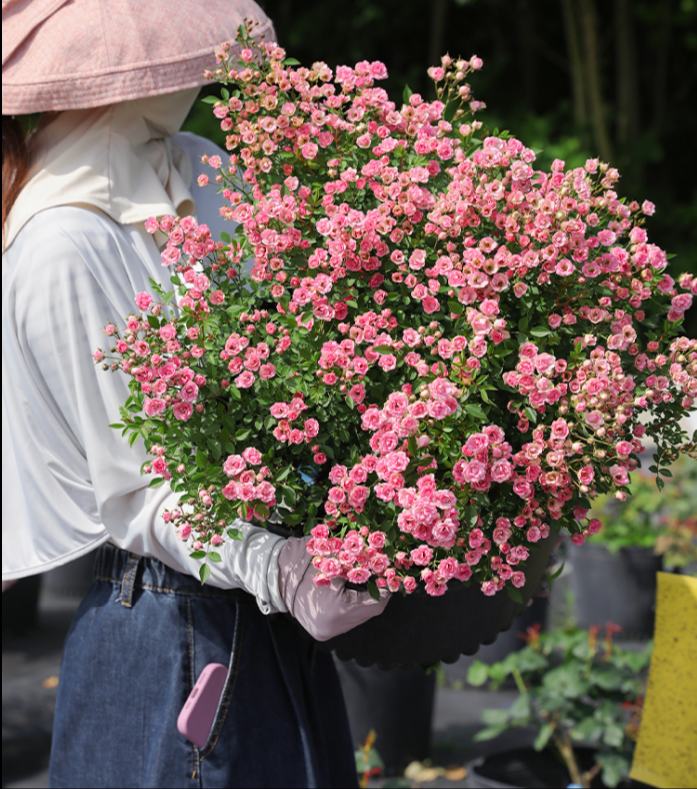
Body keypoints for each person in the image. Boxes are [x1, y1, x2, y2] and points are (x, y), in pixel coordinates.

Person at [1, 2, 388, 787]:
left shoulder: (199, 168)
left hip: (264, 607)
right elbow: (137, 490)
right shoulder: (64, 243)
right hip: (171, 624)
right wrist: (278, 565)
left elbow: (291, 365)